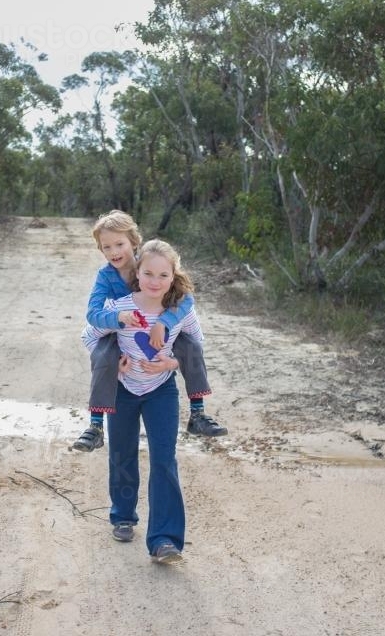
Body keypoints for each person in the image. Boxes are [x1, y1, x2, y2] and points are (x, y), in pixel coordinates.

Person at [81, 239, 203, 563]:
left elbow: (197, 343)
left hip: (161, 389)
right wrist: (111, 361)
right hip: (123, 390)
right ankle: (123, 515)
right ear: (138, 274)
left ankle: (165, 540)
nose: (155, 281)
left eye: (163, 276)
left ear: (173, 277)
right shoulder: (120, 306)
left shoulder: (179, 312)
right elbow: (88, 335)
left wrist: (171, 363)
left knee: (164, 459)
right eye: (148, 273)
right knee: (122, 453)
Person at [71, 210, 227, 452]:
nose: (114, 252)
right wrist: (118, 317)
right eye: (107, 247)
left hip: (158, 327)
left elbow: (185, 299)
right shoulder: (105, 276)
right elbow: (92, 315)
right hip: (120, 328)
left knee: (189, 345)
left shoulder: (149, 265)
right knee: (104, 353)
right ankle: (95, 426)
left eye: (119, 244)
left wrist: (164, 322)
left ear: (134, 241)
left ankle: (198, 413)